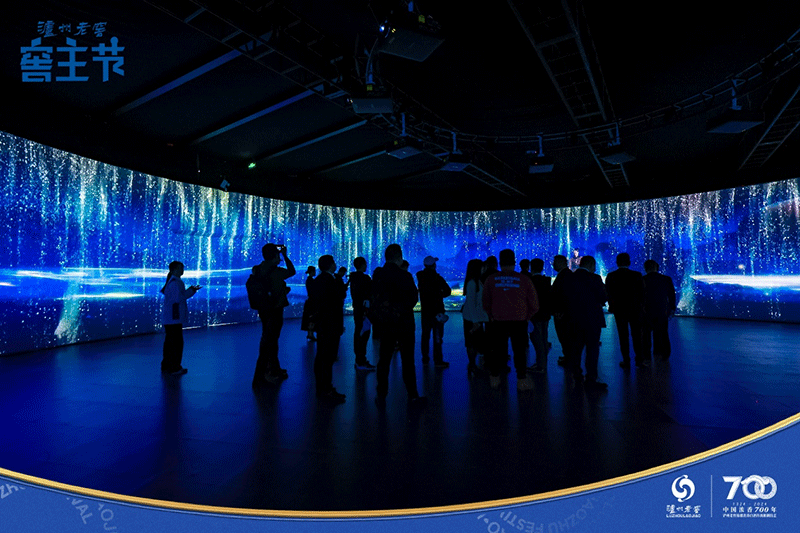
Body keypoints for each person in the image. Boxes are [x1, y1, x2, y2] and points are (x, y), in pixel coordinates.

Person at [372, 244, 426, 407]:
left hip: (386, 324)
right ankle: (413, 395)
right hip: (404, 323)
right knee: (408, 360)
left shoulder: (378, 276)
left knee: (384, 360)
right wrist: (400, 311)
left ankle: (381, 395)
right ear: (399, 257)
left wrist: (383, 316)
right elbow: (413, 298)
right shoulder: (405, 276)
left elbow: (374, 299)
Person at [482, 249, 539, 391]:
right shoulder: (524, 279)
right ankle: (521, 379)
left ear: (500, 263)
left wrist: (491, 315)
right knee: (519, 351)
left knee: (497, 350)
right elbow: (534, 305)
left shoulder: (491, 279)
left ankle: (495, 378)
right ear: (514, 262)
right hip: (519, 321)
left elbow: (485, 302)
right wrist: (527, 317)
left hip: (498, 321)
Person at [251, 243, 296, 387]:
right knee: (269, 342)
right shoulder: (276, 271)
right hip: (275, 310)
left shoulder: (258, 269)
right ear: (275, 256)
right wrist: (285, 255)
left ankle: (274, 369)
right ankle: (262, 375)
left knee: (270, 340)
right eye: (278, 256)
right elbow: (292, 271)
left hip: (264, 309)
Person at [565, 255, 608, 390]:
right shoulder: (595, 278)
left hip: (573, 319)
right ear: (591, 265)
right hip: (592, 320)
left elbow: (563, 297)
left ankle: (577, 375)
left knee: (576, 349)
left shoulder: (569, 278)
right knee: (592, 349)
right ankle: (591, 379)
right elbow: (603, 297)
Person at [309, 255, 347, 404]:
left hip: (324, 324)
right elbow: (336, 303)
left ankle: (323, 388)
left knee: (322, 357)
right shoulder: (331, 281)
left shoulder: (319, 280)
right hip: (330, 324)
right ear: (331, 265)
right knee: (328, 357)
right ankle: (326, 389)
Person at [605, 253, 645, 368]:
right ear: (629, 262)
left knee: (623, 335)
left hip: (619, 310)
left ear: (617, 262)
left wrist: (611, 305)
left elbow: (608, 293)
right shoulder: (637, 275)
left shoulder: (611, 276)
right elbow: (642, 293)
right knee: (637, 335)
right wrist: (641, 306)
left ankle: (626, 360)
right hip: (635, 309)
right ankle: (639, 359)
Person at [160, 261, 200, 376]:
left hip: (172, 318)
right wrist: (191, 291)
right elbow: (178, 299)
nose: (182, 270)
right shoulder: (175, 282)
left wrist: (190, 290)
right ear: (174, 270)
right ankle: (174, 367)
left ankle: (167, 365)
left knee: (170, 342)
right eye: (180, 268)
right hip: (174, 318)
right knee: (176, 343)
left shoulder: (173, 282)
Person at [416, 256, 452, 368]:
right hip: (437, 312)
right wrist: (439, 295)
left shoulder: (420, 277)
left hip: (425, 312)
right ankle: (438, 360)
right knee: (437, 336)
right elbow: (448, 291)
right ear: (434, 265)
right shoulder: (437, 278)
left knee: (425, 335)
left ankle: (425, 358)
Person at [642, 259, 676, 361]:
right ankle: (664, 353)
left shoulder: (642, 279)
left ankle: (646, 354)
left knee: (646, 334)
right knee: (663, 332)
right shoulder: (666, 279)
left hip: (646, 310)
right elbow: (671, 295)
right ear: (657, 267)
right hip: (662, 310)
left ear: (646, 268)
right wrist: (672, 308)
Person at [461, 258, 487, 376]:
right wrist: (475, 321)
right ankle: (472, 365)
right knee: (471, 342)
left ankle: (472, 365)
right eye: (482, 267)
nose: (484, 269)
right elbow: (471, 303)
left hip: (474, 318)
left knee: (474, 342)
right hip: (472, 319)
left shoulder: (476, 281)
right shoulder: (472, 283)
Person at [350, 257, 375, 370]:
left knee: (358, 333)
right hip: (365, 311)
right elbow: (370, 292)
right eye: (365, 264)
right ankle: (361, 361)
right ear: (363, 264)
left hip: (358, 309)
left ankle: (359, 359)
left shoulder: (353, 278)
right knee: (363, 335)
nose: (366, 265)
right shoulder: (365, 278)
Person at [528, 258, 551, 373]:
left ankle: (540, 365)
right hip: (545, 314)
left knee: (537, 340)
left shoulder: (529, 281)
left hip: (534, 315)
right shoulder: (546, 280)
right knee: (543, 339)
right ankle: (542, 363)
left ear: (531, 267)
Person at [551, 255, 573, 367]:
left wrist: (561, 311)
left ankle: (569, 358)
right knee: (565, 336)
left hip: (563, 314)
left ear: (560, 262)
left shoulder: (564, 276)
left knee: (564, 336)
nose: (553, 264)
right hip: (564, 312)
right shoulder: (567, 274)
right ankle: (568, 357)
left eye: (554, 262)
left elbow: (563, 295)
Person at [301, 266, 317, 341]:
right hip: (312, 302)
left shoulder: (309, 280)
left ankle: (310, 334)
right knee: (312, 318)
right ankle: (310, 334)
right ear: (312, 272)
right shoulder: (311, 280)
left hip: (310, 301)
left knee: (310, 318)